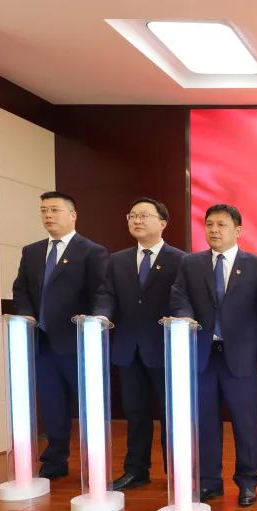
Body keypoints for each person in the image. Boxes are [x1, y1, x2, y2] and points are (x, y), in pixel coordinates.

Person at [170, 204, 257, 507]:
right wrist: (185, 316)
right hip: (202, 355)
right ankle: (210, 482)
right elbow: (179, 297)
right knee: (205, 421)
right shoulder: (191, 264)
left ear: (237, 231)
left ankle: (247, 482)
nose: (214, 230)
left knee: (245, 423)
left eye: (221, 225)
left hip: (242, 356)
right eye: (209, 224)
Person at [11, 191, 107, 480]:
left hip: (77, 342)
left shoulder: (92, 251)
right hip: (41, 341)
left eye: (54, 210)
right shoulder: (32, 251)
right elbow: (21, 288)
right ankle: (54, 461)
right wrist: (26, 313)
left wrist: (93, 325)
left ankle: (95, 464)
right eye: (43, 210)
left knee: (88, 406)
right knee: (52, 403)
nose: (48, 215)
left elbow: (100, 293)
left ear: (72, 215)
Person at [93, 198, 186, 491]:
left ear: (163, 223)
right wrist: (100, 317)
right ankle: (136, 470)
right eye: (132, 215)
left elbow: (184, 299)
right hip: (128, 349)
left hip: (165, 348)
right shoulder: (117, 260)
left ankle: (177, 473)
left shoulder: (181, 260)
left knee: (172, 415)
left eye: (144, 215)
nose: (137, 220)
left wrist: (180, 319)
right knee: (135, 413)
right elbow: (106, 295)